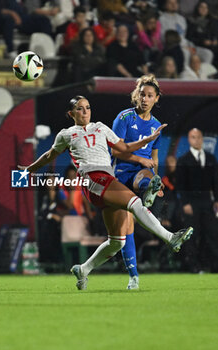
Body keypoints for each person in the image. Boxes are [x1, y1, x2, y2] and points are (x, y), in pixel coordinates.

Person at [18, 95, 193, 290]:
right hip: (92, 178)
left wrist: (149, 139)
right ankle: (170, 238)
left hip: (107, 179)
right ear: (71, 114)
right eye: (80, 108)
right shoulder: (66, 134)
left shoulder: (101, 127)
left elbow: (124, 147)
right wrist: (29, 170)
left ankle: (83, 269)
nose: (85, 111)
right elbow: (50, 154)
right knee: (134, 202)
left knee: (117, 241)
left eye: (87, 107)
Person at [111, 74, 167, 289]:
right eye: (142, 94)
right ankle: (133, 276)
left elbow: (154, 159)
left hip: (140, 173)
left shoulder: (157, 126)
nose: (145, 98)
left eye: (149, 95)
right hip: (120, 174)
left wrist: (157, 179)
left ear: (156, 99)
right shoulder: (125, 118)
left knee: (145, 175)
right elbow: (118, 150)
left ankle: (149, 189)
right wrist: (141, 160)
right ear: (136, 95)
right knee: (125, 230)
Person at [176, 128, 218, 272]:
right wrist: (185, 203)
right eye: (193, 137)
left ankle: (214, 265)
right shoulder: (183, 160)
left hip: (208, 202)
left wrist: (217, 200)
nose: (197, 140)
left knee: (212, 233)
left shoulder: (211, 158)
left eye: (199, 137)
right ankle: (193, 266)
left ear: (202, 138)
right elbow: (180, 185)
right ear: (189, 139)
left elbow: (215, 182)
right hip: (191, 203)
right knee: (193, 235)